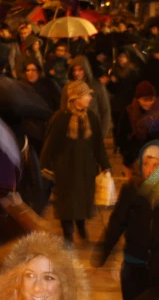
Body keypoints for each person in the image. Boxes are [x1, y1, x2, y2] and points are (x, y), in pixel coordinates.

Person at [96, 140, 159, 300]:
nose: (150, 170)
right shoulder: (132, 190)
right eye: (146, 164)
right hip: (134, 264)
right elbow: (117, 222)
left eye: (156, 164)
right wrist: (104, 251)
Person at [41, 81, 111, 245]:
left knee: (83, 201)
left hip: (86, 168)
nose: (89, 98)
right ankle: (68, 234)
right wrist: (44, 166)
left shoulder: (91, 117)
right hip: (65, 169)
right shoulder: (60, 118)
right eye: (86, 95)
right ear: (75, 98)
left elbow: (98, 144)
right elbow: (50, 144)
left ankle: (80, 225)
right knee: (66, 203)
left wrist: (105, 165)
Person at [117, 81, 159, 174]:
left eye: (151, 99)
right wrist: (128, 157)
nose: (148, 103)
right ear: (138, 99)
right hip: (134, 160)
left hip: (154, 161)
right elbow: (121, 137)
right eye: (145, 100)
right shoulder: (129, 113)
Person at [65, 55, 112, 137]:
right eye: (74, 70)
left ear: (86, 70)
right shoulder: (68, 88)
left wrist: (102, 134)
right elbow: (64, 109)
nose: (76, 73)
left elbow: (105, 110)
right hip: (74, 132)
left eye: (80, 70)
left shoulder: (97, 87)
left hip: (93, 131)